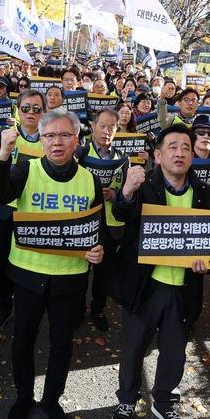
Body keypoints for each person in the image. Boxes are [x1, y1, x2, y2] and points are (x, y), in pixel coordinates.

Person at [0, 109, 104, 419]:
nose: (57, 142)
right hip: (28, 277)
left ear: (76, 140)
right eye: (49, 136)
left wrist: (98, 248)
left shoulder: (90, 180)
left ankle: (52, 401)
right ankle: (23, 397)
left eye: (64, 135)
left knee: (61, 344)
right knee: (22, 342)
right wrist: (3, 154)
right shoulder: (26, 170)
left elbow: (99, 229)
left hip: (70, 281)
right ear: (41, 140)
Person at [110, 123, 210, 419]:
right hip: (145, 285)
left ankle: (164, 402)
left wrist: (207, 265)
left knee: (174, 353)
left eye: (186, 147)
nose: (180, 153)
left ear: (192, 155)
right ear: (158, 155)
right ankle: (127, 400)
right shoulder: (143, 186)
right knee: (134, 349)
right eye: (172, 147)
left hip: (184, 289)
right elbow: (121, 213)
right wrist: (126, 192)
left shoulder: (206, 194)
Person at [0, 90, 47, 333]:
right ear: (18, 110)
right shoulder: (6, 134)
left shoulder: (49, 139)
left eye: (36, 109)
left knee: (32, 266)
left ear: (44, 112)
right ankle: (3, 309)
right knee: (2, 265)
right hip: (7, 213)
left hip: (36, 214)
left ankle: (29, 311)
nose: (31, 113)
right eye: (25, 108)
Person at [75, 109, 129, 331]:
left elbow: (126, 191)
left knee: (103, 272)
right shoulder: (80, 153)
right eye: (103, 126)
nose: (107, 131)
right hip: (83, 221)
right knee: (79, 268)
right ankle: (77, 309)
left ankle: (98, 309)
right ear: (93, 126)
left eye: (112, 128)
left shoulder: (122, 158)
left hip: (109, 224)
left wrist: (114, 194)